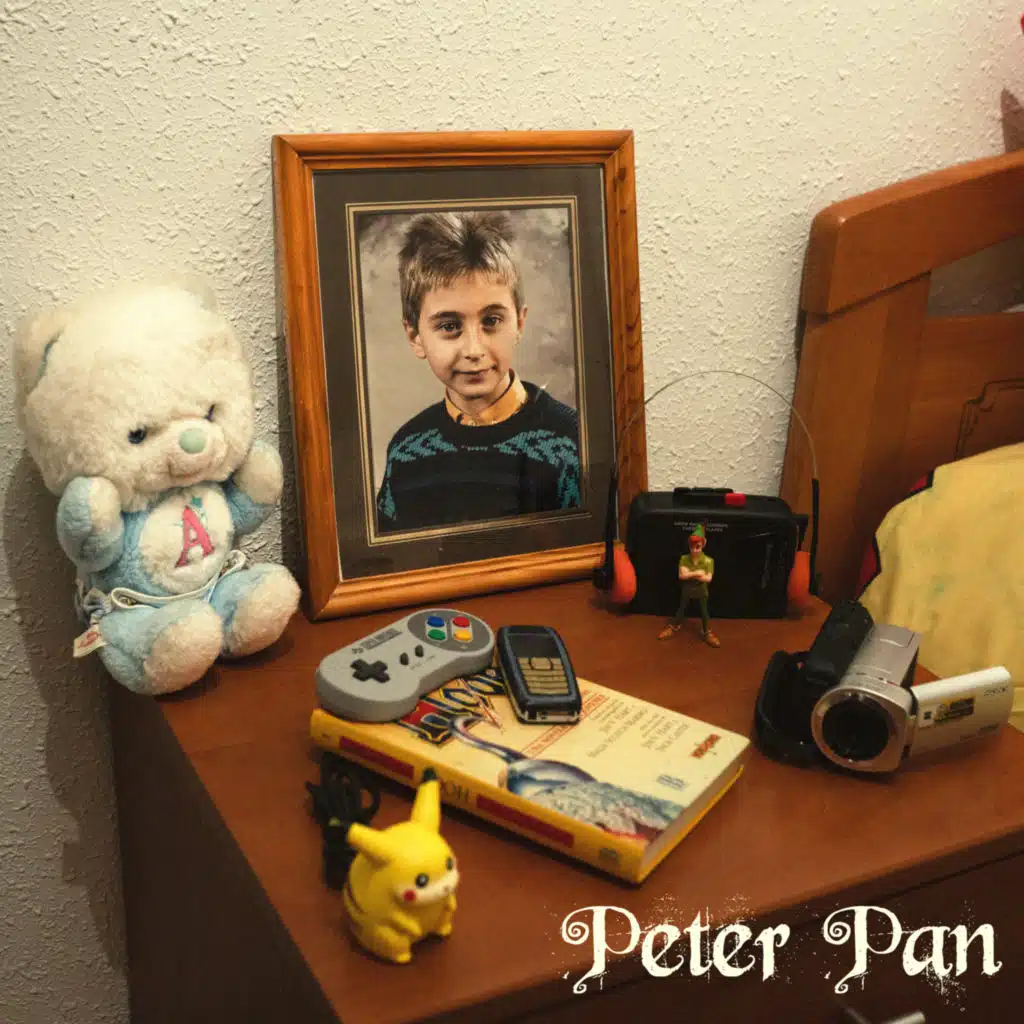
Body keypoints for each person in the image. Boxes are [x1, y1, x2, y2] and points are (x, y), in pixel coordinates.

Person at [375, 210, 581, 533]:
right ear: (415, 336)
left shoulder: (570, 442)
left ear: (519, 323)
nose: (474, 349)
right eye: (450, 326)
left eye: (491, 321)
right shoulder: (405, 451)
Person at [658, 523, 721, 647]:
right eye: (692, 547)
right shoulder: (684, 559)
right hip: (687, 590)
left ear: (703, 545)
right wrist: (697, 573)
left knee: (704, 612)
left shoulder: (709, 561)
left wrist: (689, 573)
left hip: (701, 590)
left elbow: (708, 578)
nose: (694, 550)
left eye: (697, 547)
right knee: (681, 609)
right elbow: (681, 576)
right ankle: (674, 626)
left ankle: (707, 632)